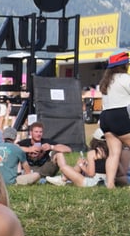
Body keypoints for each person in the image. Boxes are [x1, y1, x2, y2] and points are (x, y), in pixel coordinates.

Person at [97, 51, 130, 188]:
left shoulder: (106, 82)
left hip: (105, 117)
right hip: (120, 115)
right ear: (124, 65)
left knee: (113, 153)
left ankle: (110, 184)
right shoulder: (125, 78)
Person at [46, 138, 115, 187]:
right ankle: (63, 179)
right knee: (78, 165)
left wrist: (82, 165)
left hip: (93, 182)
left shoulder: (93, 153)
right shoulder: (112, 153)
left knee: (64, 168)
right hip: (108, 181)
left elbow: (91, 174)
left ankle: (63, 179)